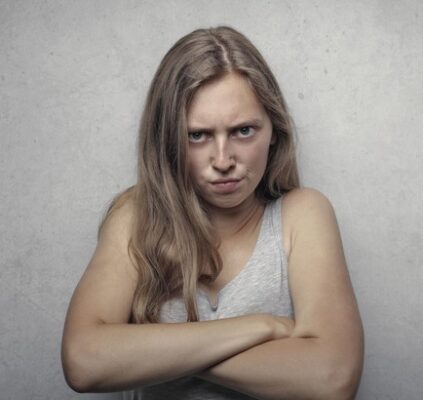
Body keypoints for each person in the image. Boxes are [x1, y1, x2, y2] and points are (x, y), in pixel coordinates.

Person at [61, 26, 364, 400]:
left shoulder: (302, 215)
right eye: (197, 135)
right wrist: (261, 327)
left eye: (244, 130)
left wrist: (148, 353)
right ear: (167, 138)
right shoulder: (136, 216)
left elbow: (332, 378)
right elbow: (83, 361)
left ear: (274, 130)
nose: (223, 161)